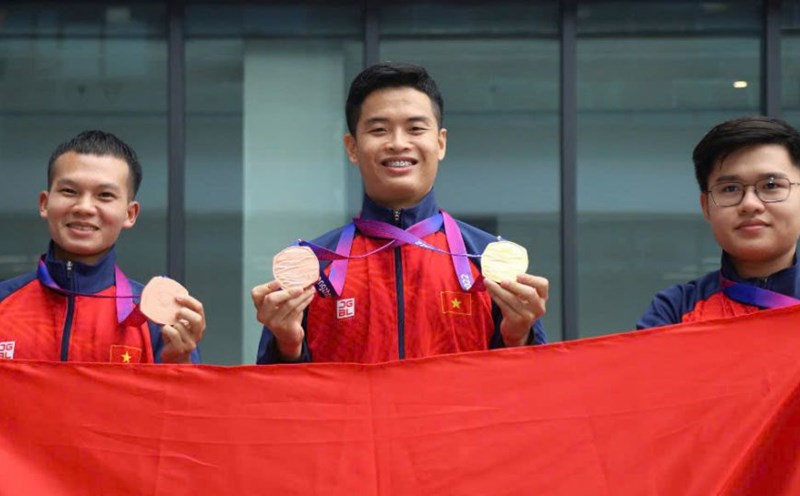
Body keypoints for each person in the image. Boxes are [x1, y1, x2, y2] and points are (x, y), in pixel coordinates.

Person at [252, 62, 548, 364]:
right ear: (352, 147)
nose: (397, 143)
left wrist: (518, 337)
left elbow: (530, 388)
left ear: (440, 143)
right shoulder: (312, 267)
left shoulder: (489, 261)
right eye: (379, 130)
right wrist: (287, 347)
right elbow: (277, 393)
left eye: (415, 129)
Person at [0, 130, 205, 363]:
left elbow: (183, 387)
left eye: (105, 195)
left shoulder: (156, 320)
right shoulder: (3, 301)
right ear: (44, 203)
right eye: (69, 191)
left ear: (130, 214)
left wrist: (179, 365)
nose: (84, 207)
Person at [638, 116, 800, 328]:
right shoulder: (675, 310)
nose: (750, 204)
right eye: (730, 189)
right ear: (706, 206)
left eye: (770, 185)